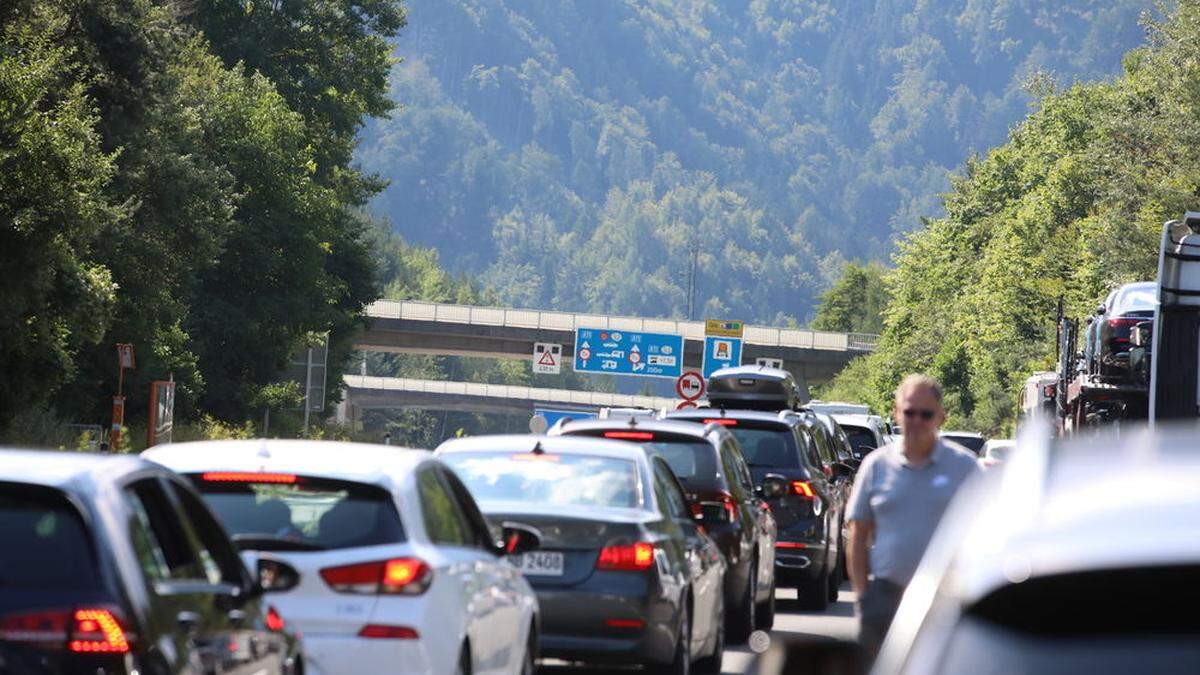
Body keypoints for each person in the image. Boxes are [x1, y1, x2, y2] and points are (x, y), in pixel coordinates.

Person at [845, 374, 980, 661]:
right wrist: (862, 597)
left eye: (925, 414)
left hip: (947, 602)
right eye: (909, 412)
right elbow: (858, 536)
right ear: (896, 413)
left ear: (941, 417)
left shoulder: (965, 468)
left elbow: (988, 533)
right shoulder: (876, 466)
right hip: (885, 597)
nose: (916, 420)